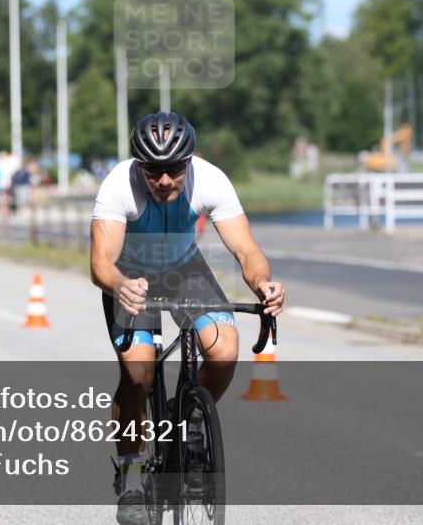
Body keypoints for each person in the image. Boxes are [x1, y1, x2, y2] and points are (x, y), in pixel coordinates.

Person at [90, 111, 285, 524]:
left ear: (190, 162)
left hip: (183, 270)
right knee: (138, 374)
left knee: (225, 349)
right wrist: (119, 283)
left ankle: (190, 420)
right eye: (154, 171)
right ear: (139, 166)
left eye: (175, 169)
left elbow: (246, 250)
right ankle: (130, 476)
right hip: (130, 275)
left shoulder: (211, 179)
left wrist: (263, 284)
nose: (165, 181)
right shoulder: (117, 186)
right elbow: (100, 263)